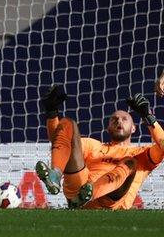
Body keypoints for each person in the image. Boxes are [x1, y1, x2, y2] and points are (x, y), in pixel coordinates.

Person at [36, 85, 164, 209]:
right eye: (114, 119)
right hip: (79, 189)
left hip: (112, 202)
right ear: (107, 128)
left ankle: (90, 194)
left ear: (133, 128)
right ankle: (55, 176)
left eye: (124, 119)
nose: (119, 121)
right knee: (67, 124)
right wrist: (52, 114)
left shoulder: (141, 153)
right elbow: (61, 142)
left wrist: (148, 117)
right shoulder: (94, 146)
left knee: (130, 162)